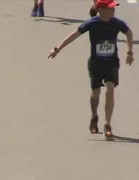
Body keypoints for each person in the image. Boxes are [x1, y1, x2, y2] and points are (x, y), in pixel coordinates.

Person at [47, 0, 134, 139]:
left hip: (111, 63)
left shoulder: (117, 23)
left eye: (113, 8)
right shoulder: (92, 23)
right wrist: (57, 49)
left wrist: (130, 52)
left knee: (110, 89)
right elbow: (73, 35)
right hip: (96, 64)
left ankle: (108, 125)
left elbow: (129, 33)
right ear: (101, 10)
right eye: (110, 8)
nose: (114, 10)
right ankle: (94, 116)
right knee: (96, 93)